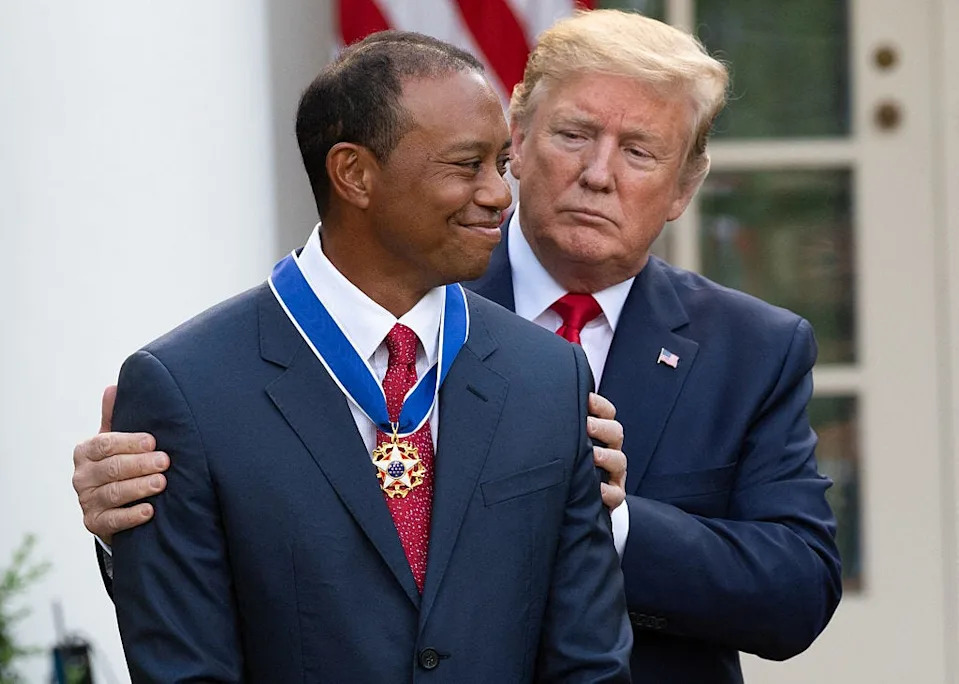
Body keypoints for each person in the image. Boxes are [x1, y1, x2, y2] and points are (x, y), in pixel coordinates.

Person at [73, 10, 842, 683]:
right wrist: (141, 523)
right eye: (572, 135)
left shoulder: (755, 348)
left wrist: (599, 514)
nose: (597, 174)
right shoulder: (377, 292)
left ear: (683, 186)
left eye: (639, 151)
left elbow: (795, 592)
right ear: (519, 138)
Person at [96, 31, 633, 682]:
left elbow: (589, 663)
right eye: (466, 165)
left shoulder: (548, 375)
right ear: (353, 173)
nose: (499, 194)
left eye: (499, 162)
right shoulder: (186, 388)